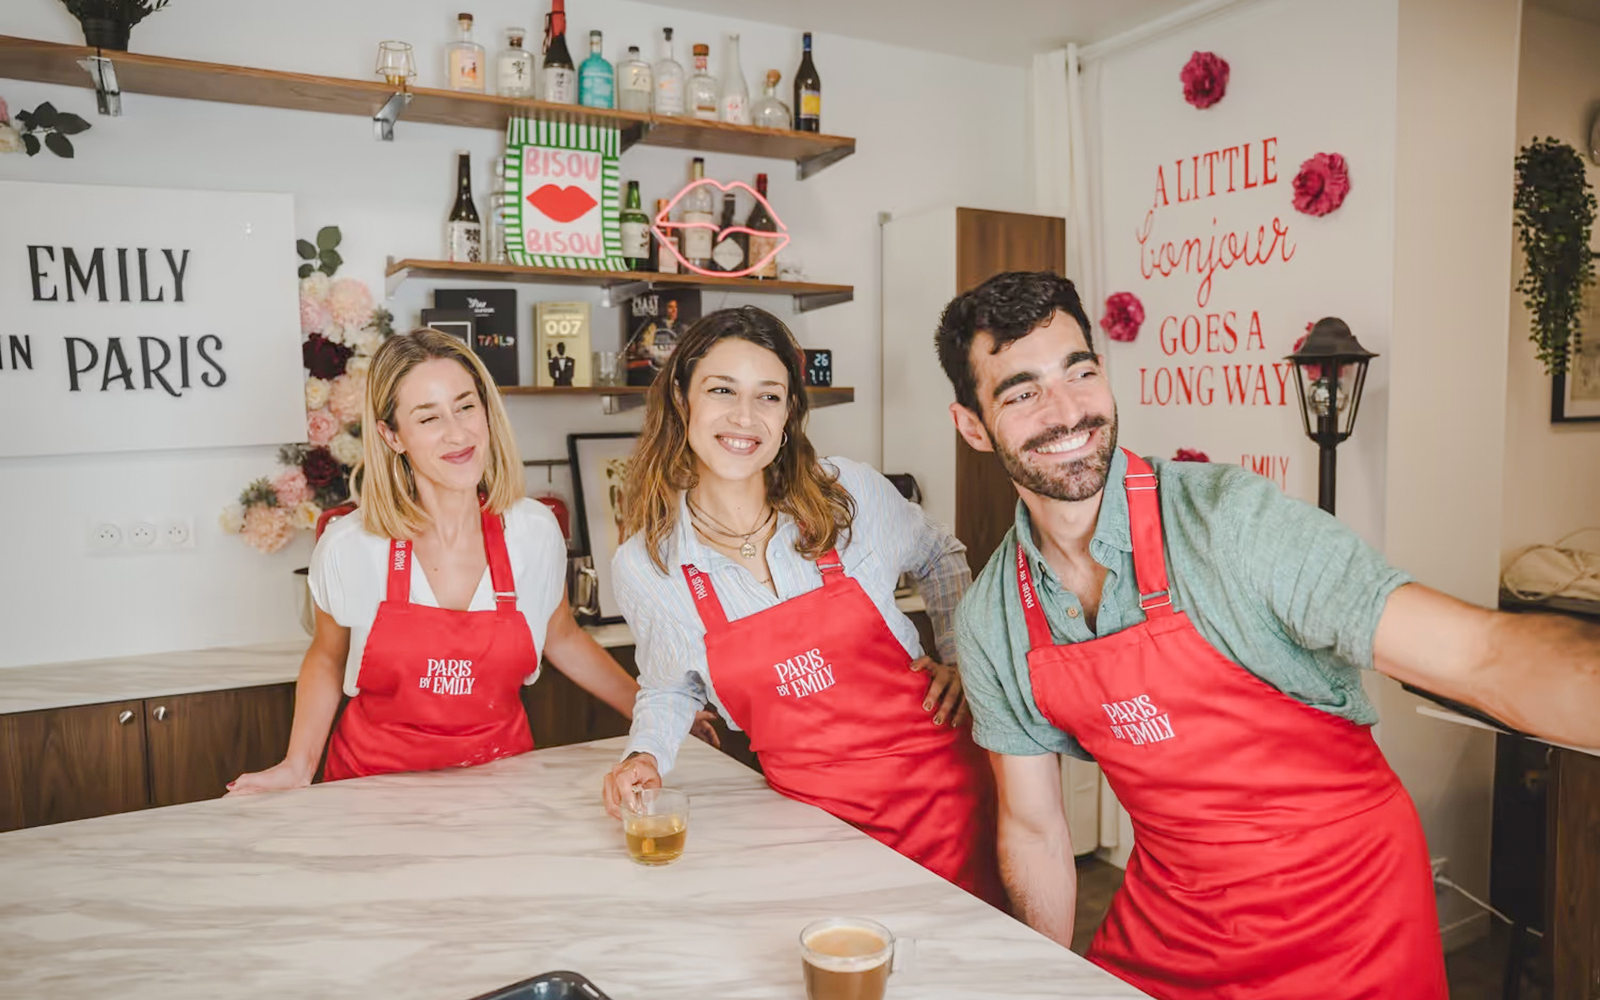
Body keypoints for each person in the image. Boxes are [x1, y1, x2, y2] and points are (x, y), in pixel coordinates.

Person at [933, 271, 1600, 1000]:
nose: (1067, 412)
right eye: (1022, 391)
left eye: (1081, 371)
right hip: (1174, 924)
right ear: (973, 424)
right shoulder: (994, 616)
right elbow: (1033, 831)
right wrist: (1044, 980)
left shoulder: (1232, 524)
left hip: (1351, 915)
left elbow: (1480, 657)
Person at [599, 306, 1004, 906]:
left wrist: (963, 660)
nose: (744, 416)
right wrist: (645, 754)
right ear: (682, 399)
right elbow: (671, 684)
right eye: (721, 391)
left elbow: (940, 554)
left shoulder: (849, 494)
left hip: (945, 799)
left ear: (789, 414)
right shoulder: (648, 563)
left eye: (768, 396)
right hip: (809, 821)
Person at [228, 329, 643, 791]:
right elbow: (327, 657)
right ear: (392, 435)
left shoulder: (534, 532)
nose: (458, 432)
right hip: (372, 790)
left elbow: (561, 635)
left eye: (466, 406)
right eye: (428, 418)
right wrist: (297, 766)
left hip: (502, 785)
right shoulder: (350, 546)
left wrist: (652, 719)